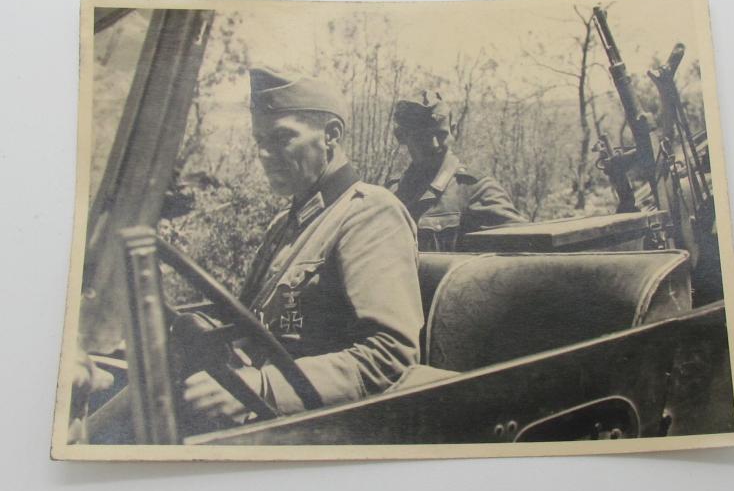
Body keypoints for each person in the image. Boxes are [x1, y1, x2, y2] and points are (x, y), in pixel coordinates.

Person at [182, 68, 424, 421]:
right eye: (259, 141)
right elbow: (254, 323)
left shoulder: (370, 213)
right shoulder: (286, 223)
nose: (264, 154)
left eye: (281, 138)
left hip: (321, 424)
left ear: (331, 135)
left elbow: (389, 355)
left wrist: (262, 388)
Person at [387, 92, 527, 251]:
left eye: (441, 134)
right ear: (401, 137)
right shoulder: (393, 193)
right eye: (423, 137)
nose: (435, 144)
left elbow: (523, 253)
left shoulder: (477, 190)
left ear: (453, 130)